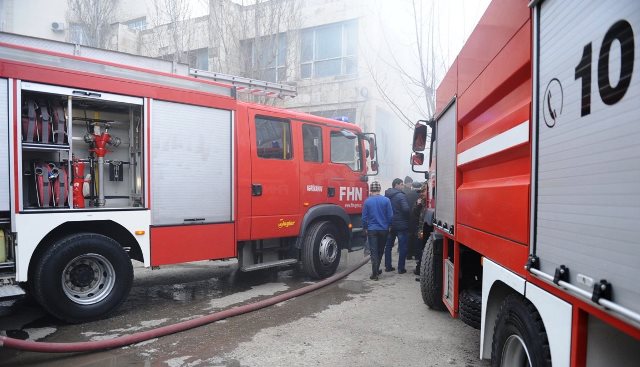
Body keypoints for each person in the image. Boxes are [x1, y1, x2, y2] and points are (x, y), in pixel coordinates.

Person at [362, 181, 393, 280]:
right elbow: (390, 216)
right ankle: (376, 269)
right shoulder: (386, 200)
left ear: (371, 190)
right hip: (384, 229)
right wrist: (389, 225)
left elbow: (364, 218)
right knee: (380, 251)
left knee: (373, 251)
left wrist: (365, 228)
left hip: (372, 230)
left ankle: (375, 273)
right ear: (379, 189)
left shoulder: (367, 201)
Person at [384, 178, 411, 274]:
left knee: (388, 246)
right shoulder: (401, 196)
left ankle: (388, 266)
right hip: (401, 225)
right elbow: (406, 209)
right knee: (403, 247)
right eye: (401, 184)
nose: (402, 186)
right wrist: (407, 218)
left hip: (390, 225)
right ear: (396, 185)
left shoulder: (386, 195)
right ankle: (401, 268)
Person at [403, 176, 420, 259]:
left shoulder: (407, 194)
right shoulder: (421, 195)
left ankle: (408, 254)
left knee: (409, 236)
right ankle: (416, 254)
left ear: (413, 186)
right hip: (418, 218)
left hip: (409, 218)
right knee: (417, 237)